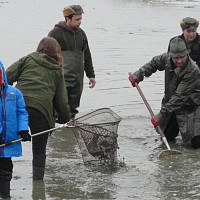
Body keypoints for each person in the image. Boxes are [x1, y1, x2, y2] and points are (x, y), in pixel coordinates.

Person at [6, 37, 71, 180]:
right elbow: (62, 102)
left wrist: (5, 99)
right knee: (39, 150)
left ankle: (4, 178)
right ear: (57, 53)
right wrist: (67, 119)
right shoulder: (57, 70)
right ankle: (38, 184)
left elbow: (6, 78)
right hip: (41, 111)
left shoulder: (27, 59)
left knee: (6, 143)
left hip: (17, 106)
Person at [129, 37, 200, 149]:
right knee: (167, 137)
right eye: (176, 57)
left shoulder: (193, 70)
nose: (180, 60)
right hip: (172, 105)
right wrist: (139, 74)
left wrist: (161, 115)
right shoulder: (166, 58)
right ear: (170, 55)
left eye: (182, 57)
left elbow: (179, 97)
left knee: (195, 145)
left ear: (186, 54)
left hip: (191, 107)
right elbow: (153, 63)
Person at [48, 5, 96, 119]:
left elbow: (87, 55)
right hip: (61, 78)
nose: (80, 22)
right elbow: (46, 56)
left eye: (80, 19)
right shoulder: (55, 33)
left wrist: (91, 75)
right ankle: (56, 130)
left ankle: (70, 125)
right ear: (67, 19)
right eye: (77, 19)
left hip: (77, 78)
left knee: (73, 107)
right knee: (58, 106)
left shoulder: (82, 34)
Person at [0, 61, 31, 198]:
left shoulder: (15, 93)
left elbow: (21, 112)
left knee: (6, 170)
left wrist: (23, 130)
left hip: (8, 140)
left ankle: (5, 196)